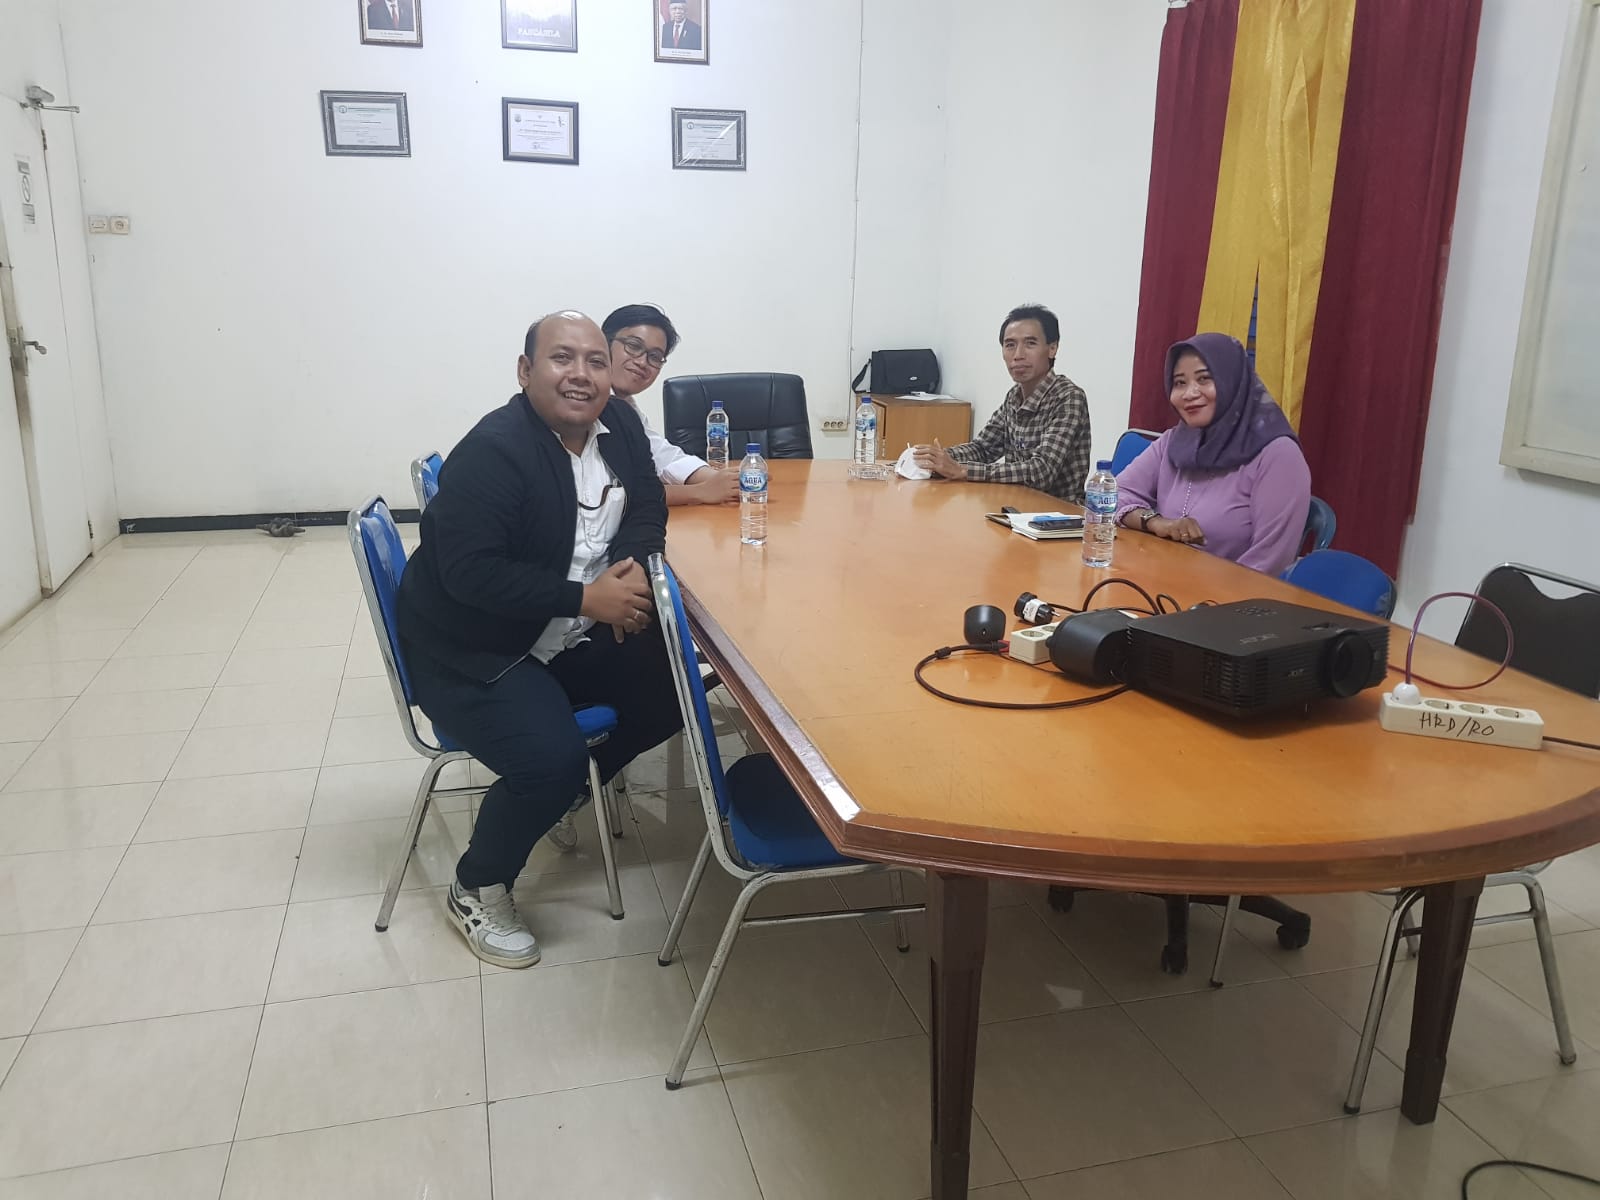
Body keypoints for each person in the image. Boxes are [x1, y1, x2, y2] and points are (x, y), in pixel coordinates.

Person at [396, 311, 684, 968]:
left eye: (594, 361)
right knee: (550, 760)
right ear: (526, 371)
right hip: (473, 647)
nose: (581, 374)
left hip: (561, 630)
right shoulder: (495, 452)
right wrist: (587, 599)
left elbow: (648, 503)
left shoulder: (620, 426)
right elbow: (470, 574)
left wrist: (631, 568)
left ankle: (570, 795)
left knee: (676, 685)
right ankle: (478, 885)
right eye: (561, 358)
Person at [1115, 332, 1311, 577]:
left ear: (1232, 382)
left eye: (1204, 379)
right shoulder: (1176, 441)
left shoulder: (1278, 456)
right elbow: (1111, 496)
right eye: (1180, 383)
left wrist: (1197, 594)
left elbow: (1268, 564)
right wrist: (1155, 522)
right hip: (1161, 579)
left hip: (1230, 596)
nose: (1189, 393)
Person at [911, 303, 1092, 504]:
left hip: (1059, 514)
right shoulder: (1014, 396)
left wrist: (963, 470)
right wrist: (938, 458)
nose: (1018, 355)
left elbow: (1041, 471)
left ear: (1052, 348)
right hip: (1016, 508)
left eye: (1030, 343)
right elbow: (983, 448)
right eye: (1010, 345)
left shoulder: (1068, 397)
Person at [601, 304, 739, 506]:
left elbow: (663, 456)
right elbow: (616, 492)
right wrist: (700, 492)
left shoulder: (626, 407)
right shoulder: (587, 404)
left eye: (655, 357)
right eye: (634, 346)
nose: (642, 362)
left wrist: (725, 480)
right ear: (603, 344)